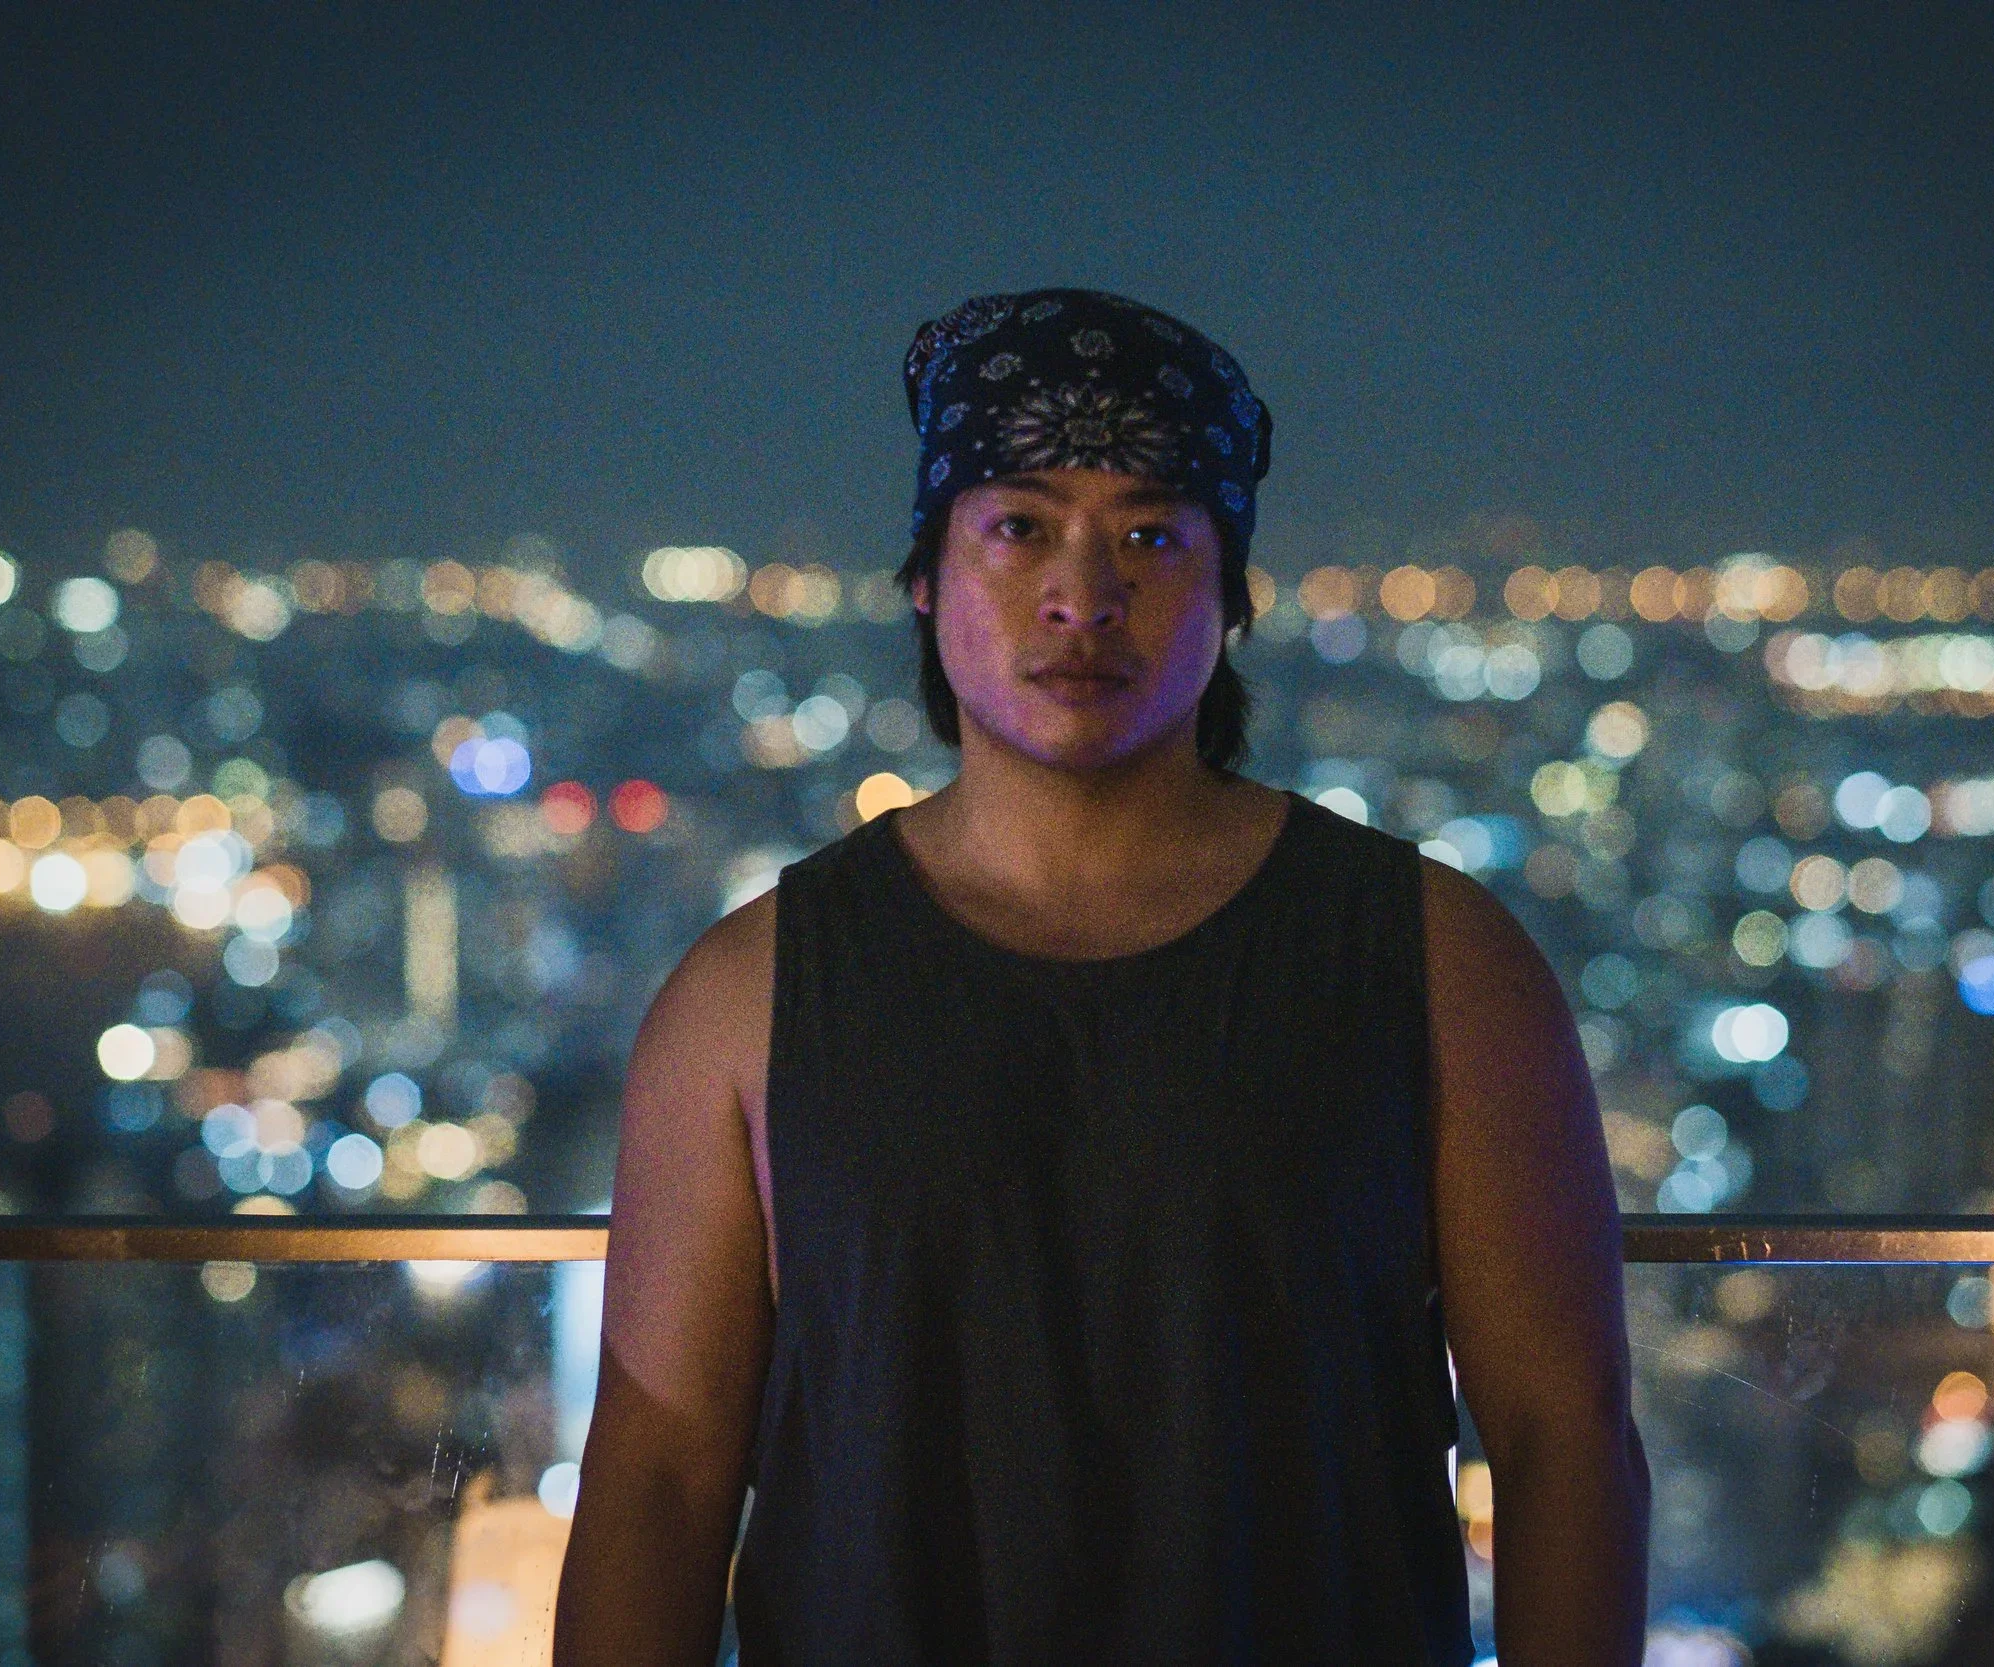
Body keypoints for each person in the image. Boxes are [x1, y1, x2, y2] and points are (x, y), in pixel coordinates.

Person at [556, 289, 1648, 1666]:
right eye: (1018, 527)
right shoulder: (746, 997)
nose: (1085, 593)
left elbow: (1565, 1435)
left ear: (1231, 593)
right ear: (924, 578)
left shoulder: (1437, 965)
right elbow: (655, 1474)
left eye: (1150, 533)